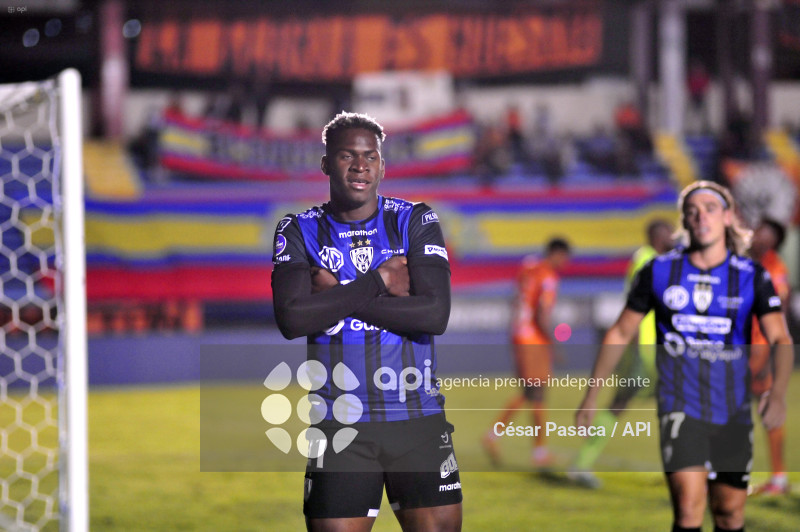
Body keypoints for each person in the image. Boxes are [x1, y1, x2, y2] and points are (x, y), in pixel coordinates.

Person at [271, 111, 462, 532]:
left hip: (417, 420)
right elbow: (292, 318)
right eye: (347, 156)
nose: (360, 166)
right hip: (338, 424)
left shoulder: (414, 220)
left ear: (382, 165)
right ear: (326, 164)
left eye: (370, 156)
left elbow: (435, 314)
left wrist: (336, 295)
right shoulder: (298, 229)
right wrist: (380, 282)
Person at [576, 181, 793, 532]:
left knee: (729, 512)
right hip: (680, 405)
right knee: (689, 508)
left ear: (727, 217)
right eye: (692, 211)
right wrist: (591, 394)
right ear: (685, 221)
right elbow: (620, 332)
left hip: (732, 410)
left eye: (710, 208)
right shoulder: (659, 271)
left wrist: (778, 393)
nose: (700, 216)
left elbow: (780, 336)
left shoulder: (751, 276)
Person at [569, 219, 674, 488]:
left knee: (626, 402)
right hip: (647, 347)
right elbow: (638, 303)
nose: (674, 236)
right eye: (669, 231)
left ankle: (582, 463)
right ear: (657, 235)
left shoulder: (655, 259)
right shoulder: (647, 260)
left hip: (653, 346)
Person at [483, 238, 571, 468]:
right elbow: (542, 313)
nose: (565, 262)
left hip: (519, 334)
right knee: (537, 392)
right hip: (533, 337)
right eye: (564, 257)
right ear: (557, 253)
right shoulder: (548, 276)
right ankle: (537, 452)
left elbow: (517, 299)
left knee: (530, 392)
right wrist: (553, 344)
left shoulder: (528, 269)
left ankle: (495, 436)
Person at [748, 219, 791, 495]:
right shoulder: (739, 259)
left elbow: (779, 310)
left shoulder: (774, 267)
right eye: (760, 232)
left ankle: (778, 477)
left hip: (757, 348)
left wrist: (767, 353)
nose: (762, 238)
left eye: (769, 235)